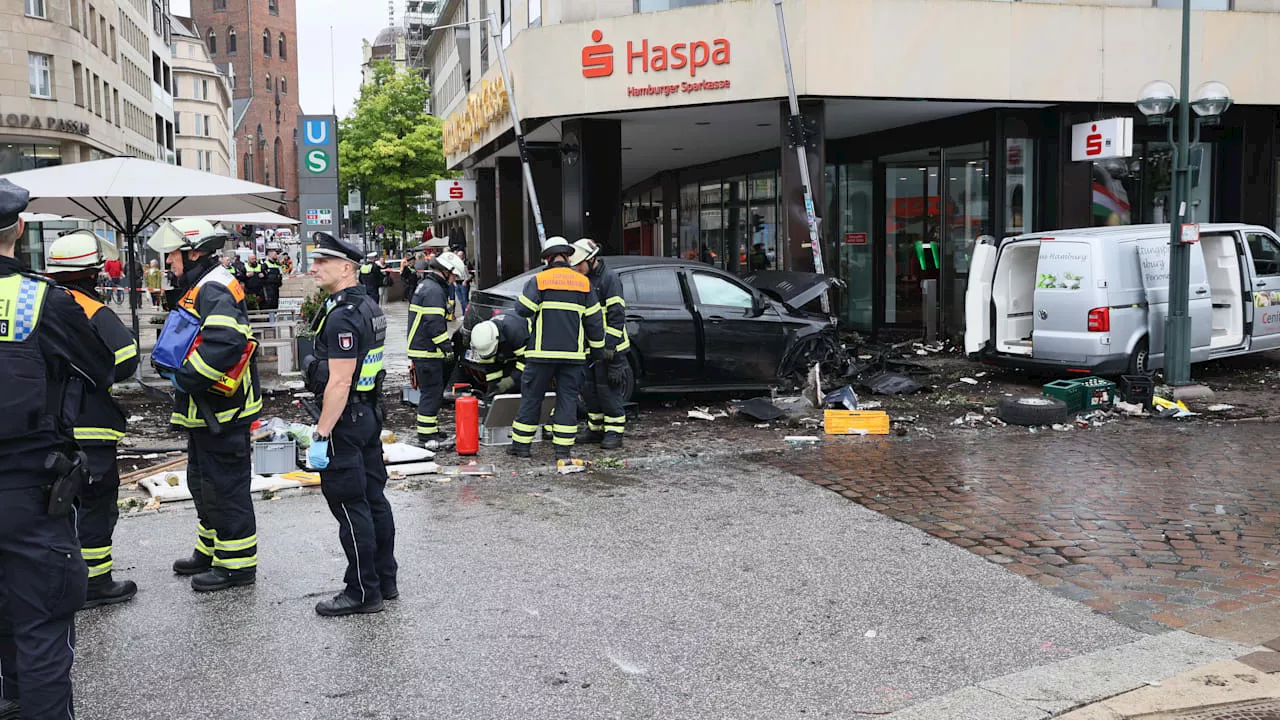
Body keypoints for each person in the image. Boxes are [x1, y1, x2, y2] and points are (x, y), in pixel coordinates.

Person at [0, 179, 114, 720]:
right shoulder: (39, 298)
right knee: (43, 623)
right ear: (19, 229)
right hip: (29, 487)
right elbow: (101, 367)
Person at [147, 218, 262, 593]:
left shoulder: (212, 287)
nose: (170, 263)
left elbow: (225, 341)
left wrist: (185, 378)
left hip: (221, 410)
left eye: (175, 255)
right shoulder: (205, 283)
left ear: (194, 251)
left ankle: (236, 566)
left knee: (224, 485)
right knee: (202, 481)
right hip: (208, 409)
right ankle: (210, 550)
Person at [42, 230, 142, 610]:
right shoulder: (91, 308)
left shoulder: (38, 303)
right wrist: (94, 375)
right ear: (95, 272)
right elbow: (127, 358)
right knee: (96, 502)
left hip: (46, 425)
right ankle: (94, 582)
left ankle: (54, 576)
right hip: (91, 425)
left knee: (54, 503)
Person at [301, 233, 396, 616]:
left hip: (347, 419)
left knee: (351, 506)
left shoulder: (343, 314)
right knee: (374, 499)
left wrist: (322, 432)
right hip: (368, 414)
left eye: (322, 262)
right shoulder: (366, 306)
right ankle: (385, 580)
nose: (314, 267)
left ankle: (361, 591)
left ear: (346, 268)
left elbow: (339, 381)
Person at [509, 236, 605, 461]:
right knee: (567, 400)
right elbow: (594, 321)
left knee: (532, 398)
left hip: (541, 355)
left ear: (548, 258)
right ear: (567, 256)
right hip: (573, 356)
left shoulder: (539, 280)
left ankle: (521, 447)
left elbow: (523, 310)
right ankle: (562, 451)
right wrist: (598, 350)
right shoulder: (583, 283)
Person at [571, 238, 631, 451]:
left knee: (608, 391)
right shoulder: (584, 280)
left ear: (592, 259)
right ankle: (595, 428)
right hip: (590, 348)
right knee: (590, 391)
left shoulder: (609, 279)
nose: (577, 269)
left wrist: (610, 351)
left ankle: (614, 431)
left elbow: (616, 317)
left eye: (579, 264)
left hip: (610, 349)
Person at [407, 250, 468, 449]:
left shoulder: (426, 285)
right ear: (446, 271)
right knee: (431, 394)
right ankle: (427, 437)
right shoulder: (433, 290)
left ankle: (430, 430)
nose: (453, 280)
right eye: (453, 276)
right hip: (427, 351)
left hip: (421, 349)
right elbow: (434, 324)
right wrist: (447, 348)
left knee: (430, 393)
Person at [467, 313, 529, 400]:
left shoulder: (516, 333)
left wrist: (511, 380)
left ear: (497, 340)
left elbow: (528, 362)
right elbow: (492, 368)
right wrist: (493, 389)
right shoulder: (483, 340)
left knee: (526, 382)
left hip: (532, 349)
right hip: (511, 351)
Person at [451, 248, 471, 317]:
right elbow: (452, 274)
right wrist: (454, 282)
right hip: (457, 284)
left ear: (463, 255)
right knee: (461, 301)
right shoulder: (455, 264)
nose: (459, 256)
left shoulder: (466, 263)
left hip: (463, 284)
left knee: (465, 300)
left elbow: (470, 274)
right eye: (458, 255)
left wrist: (465, 281)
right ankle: (464, 314)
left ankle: (467, 315)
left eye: (461, 255)